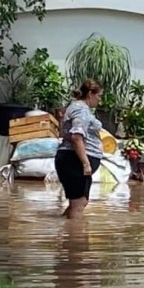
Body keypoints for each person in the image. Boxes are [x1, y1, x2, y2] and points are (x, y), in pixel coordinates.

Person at [55, 79, 104, 219]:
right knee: (78, 204)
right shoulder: (81, 109)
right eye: (99, 96)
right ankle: (75, 239)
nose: (99, 100)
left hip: (72, 159)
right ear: (90, 93)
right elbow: (76, 136)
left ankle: (66, 231)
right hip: (75, 160)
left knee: (78, 203)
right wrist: (85, 163)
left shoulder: (76, 108)